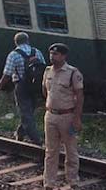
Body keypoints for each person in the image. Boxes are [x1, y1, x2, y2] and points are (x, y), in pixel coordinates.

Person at [42, 43, 84, 190]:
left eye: (56, 54)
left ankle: (73, 181)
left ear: (64, 56)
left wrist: (77, 117)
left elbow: (79, 96)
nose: (52, 57)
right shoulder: (47, 71)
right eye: (51, 54)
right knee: (50, 151)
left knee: (70, 150)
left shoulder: (73, 73)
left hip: (67, 116)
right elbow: (45, 92)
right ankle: (49, 183)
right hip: (51, 115)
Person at [0, 32, 46, 144]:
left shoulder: (14, 54)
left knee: (26, 112)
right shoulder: (36, 52)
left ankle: (36, 140)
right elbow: (44, 68)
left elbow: (7, 74)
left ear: (16, 42)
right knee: (30, 110)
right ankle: (20, 133)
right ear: (28, 40)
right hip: (36, 85)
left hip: (21, 86)